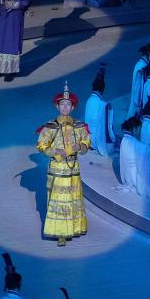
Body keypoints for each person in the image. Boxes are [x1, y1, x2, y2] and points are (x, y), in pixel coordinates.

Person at [36, 82, 91, 246]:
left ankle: (74, 227)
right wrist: (54, 151)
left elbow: (87, 142)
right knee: (59, 200)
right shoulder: (50, 126)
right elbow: (41, 145)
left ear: (73, 107)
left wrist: (79, 146)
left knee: (73, 199)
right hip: (57, 169)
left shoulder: (79, 126)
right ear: (57, 106)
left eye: (68, 105)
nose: (65, 107)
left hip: (73, 169)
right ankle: (60, 233)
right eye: (62, 104)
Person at [118, 116, 150, 199]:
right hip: (133, 179)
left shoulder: (125, 140)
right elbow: (145, 151)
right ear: (134, 129)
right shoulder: (132, 142)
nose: (140, 132)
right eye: (139, 129)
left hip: (127, 177)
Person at [83, 64, 115, 157]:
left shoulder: (88, 101)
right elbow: (108, 129)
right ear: (103, 89)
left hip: (89, 141)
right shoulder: (104, 105)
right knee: (114, 143)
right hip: (98, 145)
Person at [130, 40, 150, 118]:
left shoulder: (142, 65)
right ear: (148, 53)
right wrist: (138, 105)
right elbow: (138, 87)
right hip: (140, 103)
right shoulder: (142, 68)